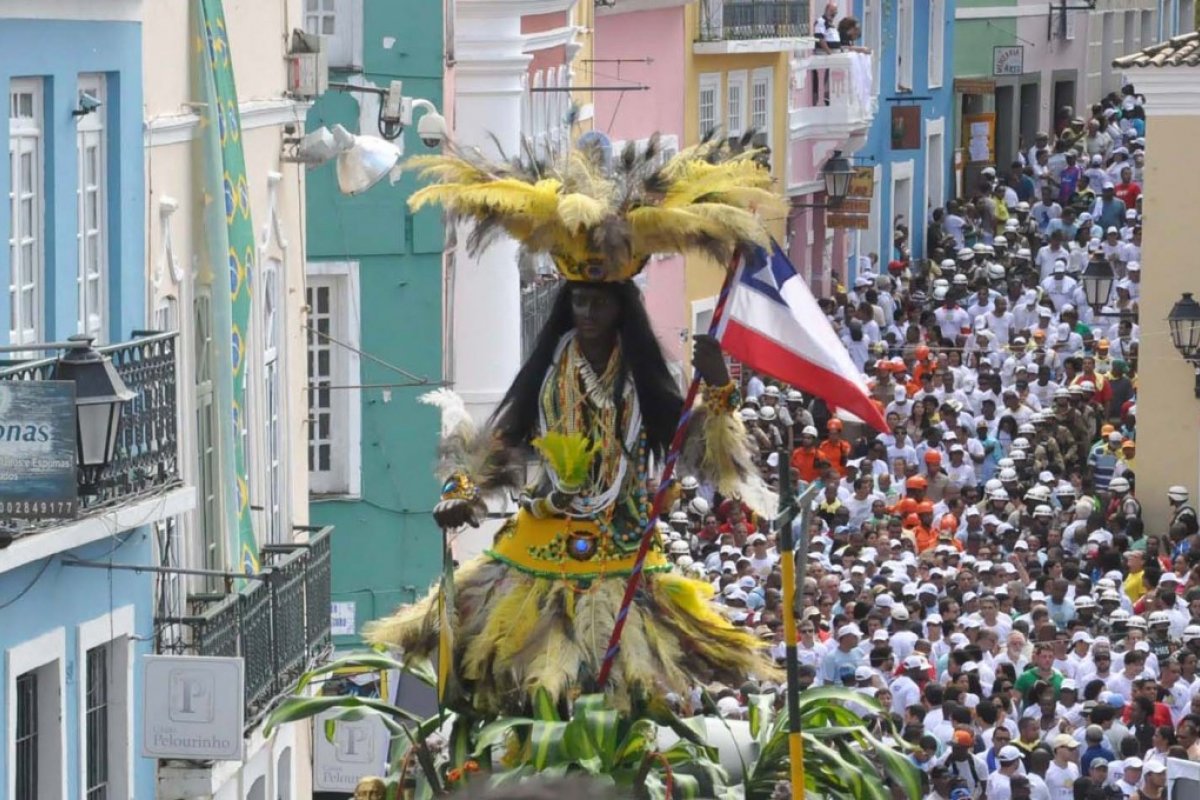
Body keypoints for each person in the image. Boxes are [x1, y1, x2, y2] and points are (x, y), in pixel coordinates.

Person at [366, 135, 783, 712]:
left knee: (632, 685)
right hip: (541, 538)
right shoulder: (549, 371)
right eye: (578, 302)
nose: (587, 314)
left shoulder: (642, 382)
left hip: (623, 540)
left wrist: (717, 388)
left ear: (623, 309)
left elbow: (708, 459)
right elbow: (500, 444)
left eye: (599, 303)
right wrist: (460, 491)